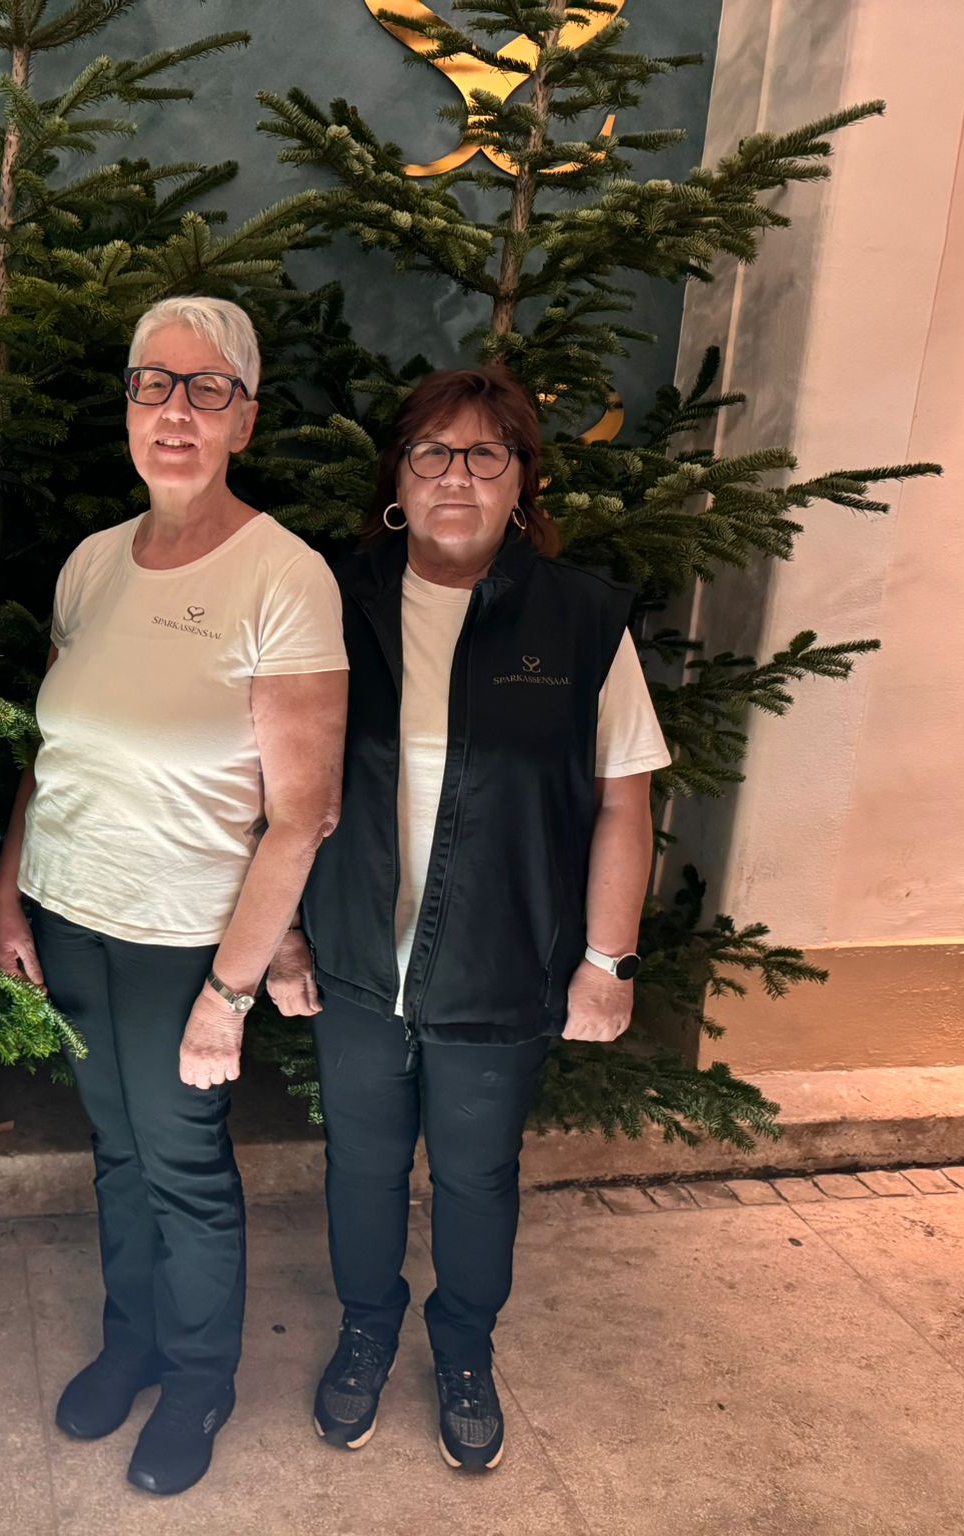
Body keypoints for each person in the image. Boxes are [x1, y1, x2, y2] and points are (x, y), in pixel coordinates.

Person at [267, 365, 670, 1471]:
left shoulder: (580, 620)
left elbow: (623, 803)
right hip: (354, 963)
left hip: (500, 968)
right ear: (397, 480)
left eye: (485, 454)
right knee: (359, 1167)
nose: (457, 475)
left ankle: (463, 1349)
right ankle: (363, 1331)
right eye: (432, 453)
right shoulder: (328, 601)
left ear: (521, 481)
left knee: (477, 1176)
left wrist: (607, 962)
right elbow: (269, 788)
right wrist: (282, 939)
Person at [0, 296, 348, 1497]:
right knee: (115, 1152)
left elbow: (300, 815)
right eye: (153, 385)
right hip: (70, 915)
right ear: (128, 409)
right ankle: (130, 1343)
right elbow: (53, 751)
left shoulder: (283, 577)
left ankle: (197, 1380)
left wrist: (228, 995)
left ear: (243, 418)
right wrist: (11, 896)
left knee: (181, 1164)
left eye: (206, 389)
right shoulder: (92, 565)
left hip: (181, 938)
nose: (174, 412)